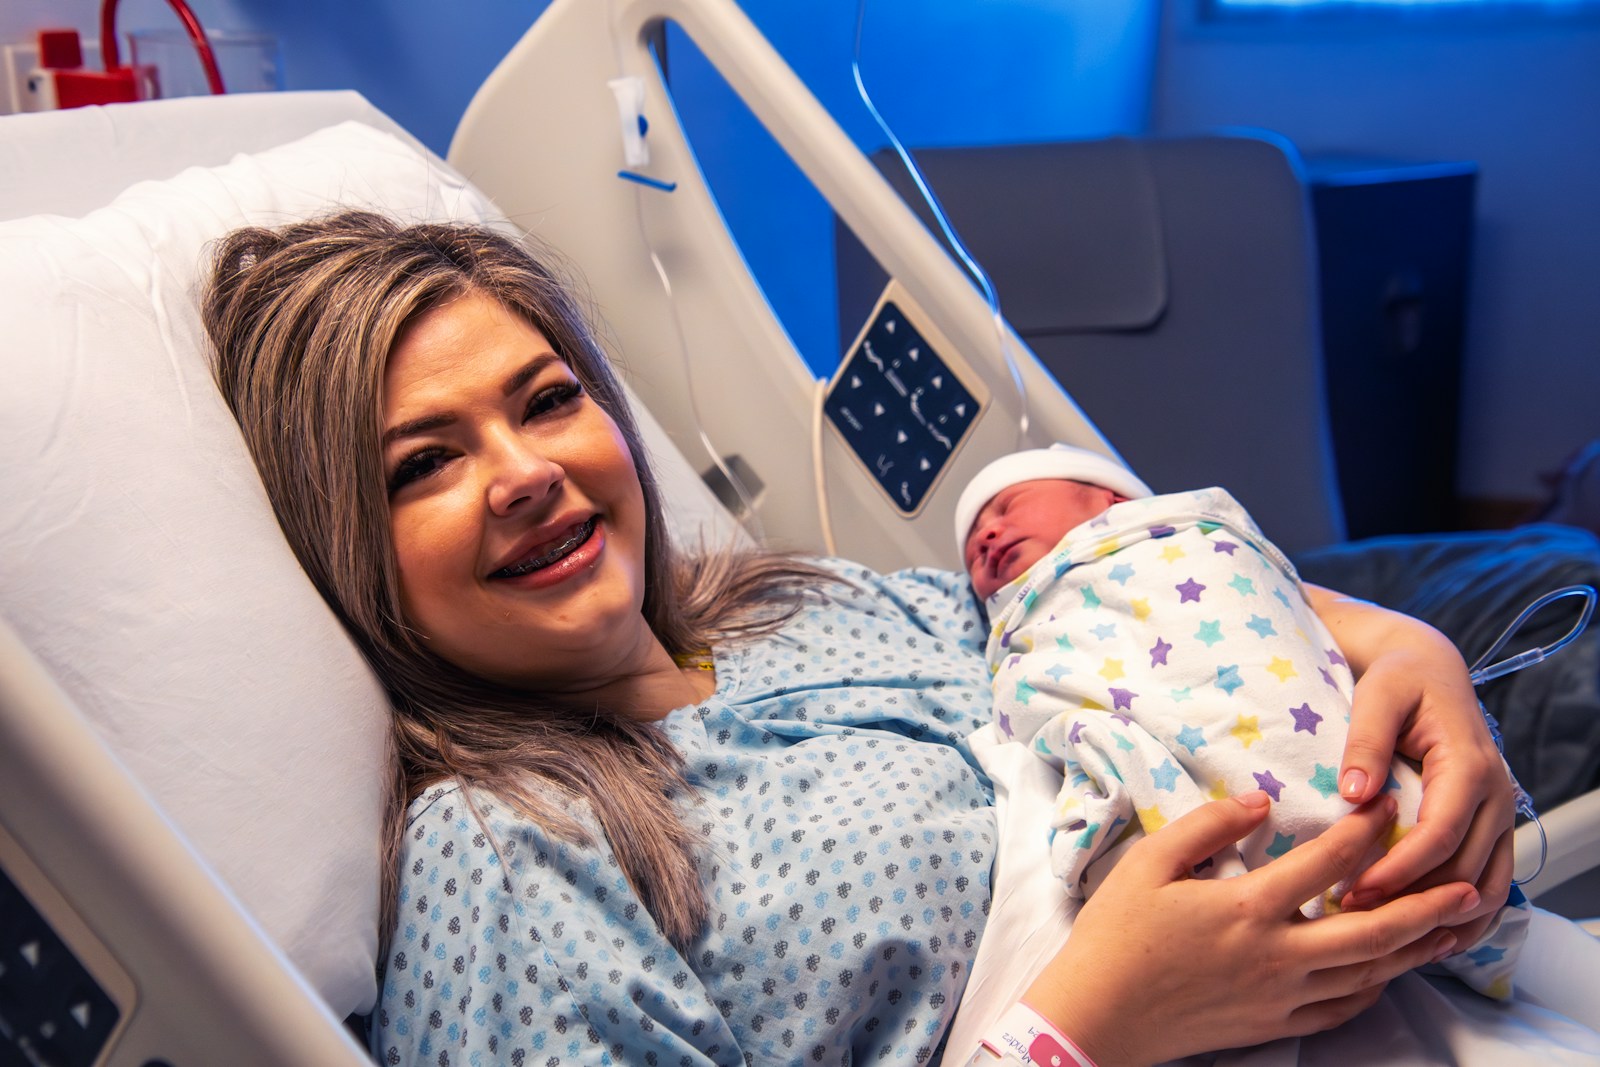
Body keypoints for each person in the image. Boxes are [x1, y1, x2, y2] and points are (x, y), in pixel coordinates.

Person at [202, 211, 1530, 1067]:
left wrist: (1403, 653)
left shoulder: (807, 603)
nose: (524, 472)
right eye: (422, 463)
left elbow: (1085, 606)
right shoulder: (510, 848)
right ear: (348, 547)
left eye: (547, 399)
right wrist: (1088, 1024)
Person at [954, 444, 1530, 1001]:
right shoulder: (1019, 629)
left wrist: (1427, 652)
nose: (984, 536)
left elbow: (1308, 612)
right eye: (972, 551)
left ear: (1106, 499)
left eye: (1006, 507)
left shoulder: (1190, 534)